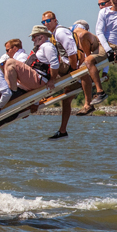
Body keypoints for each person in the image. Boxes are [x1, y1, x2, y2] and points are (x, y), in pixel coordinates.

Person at [42, 11, 81, 140]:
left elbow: (72, 52)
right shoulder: (54, 34)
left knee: (47, 69)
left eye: (48, 21)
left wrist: (73, 71)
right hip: (67, 67)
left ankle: (38, 98)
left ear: (55, 20)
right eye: (43, 22)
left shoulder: (60, 32)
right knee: (66, 100)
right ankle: (63, 130)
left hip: (70, 67)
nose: (46, 24)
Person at [71, 20, 109, 115]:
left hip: (92, 61)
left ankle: (88, 104)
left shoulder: (81, 34)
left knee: (84, 71)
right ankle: (87, 104)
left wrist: (105, 72)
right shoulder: (82, 35)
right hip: (94, 61)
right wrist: (105, 72)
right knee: (85, 69)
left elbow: (104, 54)